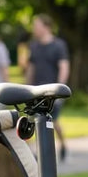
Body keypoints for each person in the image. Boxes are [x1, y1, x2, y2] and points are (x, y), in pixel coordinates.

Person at [20, 14, 71, 162]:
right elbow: (31, 68)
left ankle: (63, 146)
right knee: (32, 120)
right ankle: (31, 153)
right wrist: (26, 88)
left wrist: (60, 90)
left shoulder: (58, 45)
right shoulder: (34, 46)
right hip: (36, 90)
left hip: (52, 91)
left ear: (47, 27)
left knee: (53, 122)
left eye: (37, 26)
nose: (34, 29)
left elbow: (64, 67)